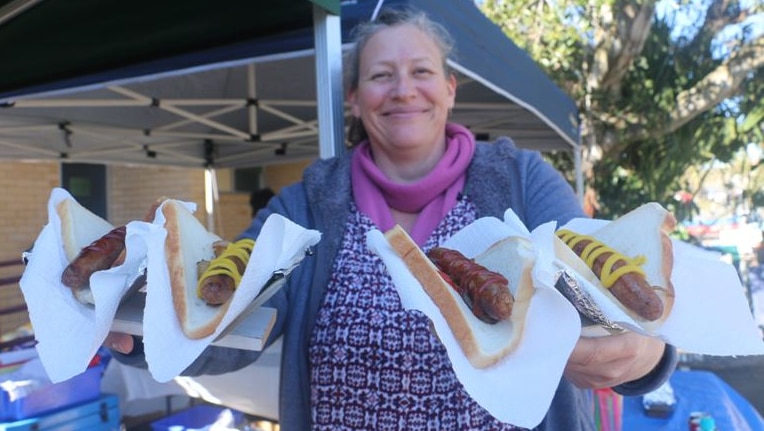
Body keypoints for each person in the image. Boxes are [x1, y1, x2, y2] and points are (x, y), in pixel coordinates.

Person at [107, 7, 676, 430]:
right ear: (353, 98)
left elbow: (600, 291)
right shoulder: (307, 202)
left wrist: (648, 354)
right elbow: (235, 325)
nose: (404, 91)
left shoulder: (520, 178)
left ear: (450, 91)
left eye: (422, 72)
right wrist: (136, 322)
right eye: (381, 75)